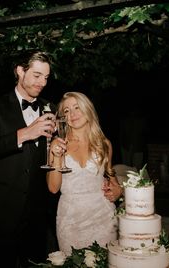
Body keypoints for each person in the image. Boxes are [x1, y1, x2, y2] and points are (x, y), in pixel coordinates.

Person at [0, 51, 57, 268]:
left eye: (46, 77)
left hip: (37, 216)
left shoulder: (50, 108)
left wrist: (56, 147)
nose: (42, 83)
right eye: (37, 75)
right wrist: (26, 133)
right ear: (20, 71)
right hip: (3, 211)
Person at [46, 91, 123, 255]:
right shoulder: (58, 144)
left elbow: (111, 177)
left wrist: (118, 191)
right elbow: (53, 188)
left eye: (77, 107)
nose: (72, 114)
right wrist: (57, 156)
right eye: (66, 111)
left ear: (88, 109)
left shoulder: (104, 144)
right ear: (63, 117)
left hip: (103, 217)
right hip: (70, 219)